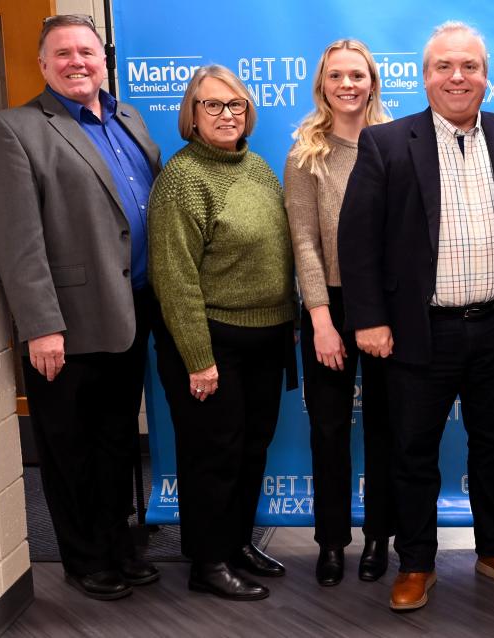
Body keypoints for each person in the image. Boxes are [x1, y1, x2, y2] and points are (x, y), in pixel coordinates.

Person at [338, 21, 494, 612]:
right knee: (412, 450)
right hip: (415, 330)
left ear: (487, 74)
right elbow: (357, 242)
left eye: (470, 66)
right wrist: (369, 320)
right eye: (444, 67)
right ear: (425, 75)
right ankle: (418, 563)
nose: (458, 77)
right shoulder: (384, 142)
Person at [0, 14, 161, 601]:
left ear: (103, 59)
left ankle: (118, 544)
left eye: (86, 51)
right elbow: (17, 240)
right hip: (66, 324)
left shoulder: (127, 118)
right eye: (63, 53)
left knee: (114, 442)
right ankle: (86, 559)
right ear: (43, 65)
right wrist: (41, 327)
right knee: (69, 447)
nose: (77, 61)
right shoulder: (14, 129)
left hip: (129, 311)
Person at [149, 65, 298, 601]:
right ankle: (208, 562)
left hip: (267, 335)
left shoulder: (256, 166)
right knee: (213, 453)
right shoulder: (182, 178)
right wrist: (197, 358)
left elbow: (276, 252)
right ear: (192, 114)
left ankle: (235, 544)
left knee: (251, 448)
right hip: (211, 340)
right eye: (212, 105)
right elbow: (174, 276)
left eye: (235, 104)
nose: (226, 114)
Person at [284, 38, 394, 587]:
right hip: (329, 305)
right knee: (328, 430)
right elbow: (303, 241)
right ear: (322, 85)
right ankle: (331, 542)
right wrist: (321, 319)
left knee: (385, 428)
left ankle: (379, 538)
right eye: (336, 77)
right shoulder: (307, 152)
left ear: (373, 80)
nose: (347, 85)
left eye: (357, 75)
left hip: (389, 309)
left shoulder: (397, 142)